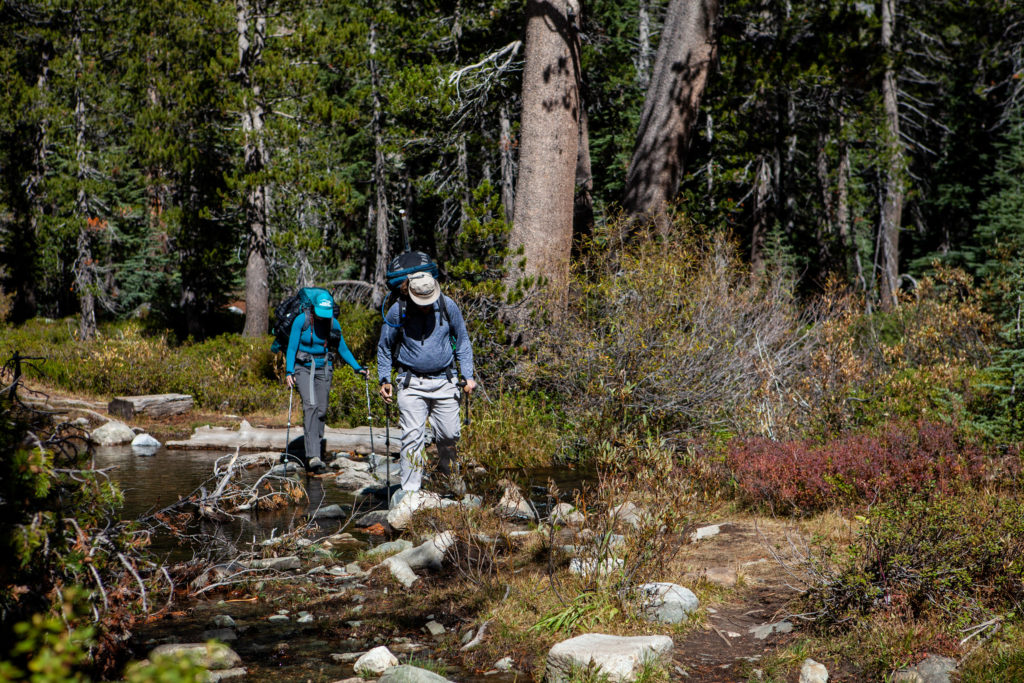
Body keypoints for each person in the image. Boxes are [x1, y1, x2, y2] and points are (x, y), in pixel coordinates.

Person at [378, 272, 476, 495]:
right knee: (412, 437)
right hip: (411, 382)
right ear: (409, 293)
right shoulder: (397, 310)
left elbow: (462, 341)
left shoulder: (447, 305)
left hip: (445, 380)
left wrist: (468, 375)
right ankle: (410, 494)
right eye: (421, 301)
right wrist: (384, 379)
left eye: (428, 301)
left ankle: (448, 479)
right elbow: (384, 346)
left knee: (450, 436)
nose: (425, 306)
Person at [285, 291, 367, 469]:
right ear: (313, 308)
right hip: (302, 367)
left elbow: (342, 349)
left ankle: (317, 449)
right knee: (311, 406)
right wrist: (289, 371)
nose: (323, 318)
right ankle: (312, 456)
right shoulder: (302, 321)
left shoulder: (332, 323)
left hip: (324, 367)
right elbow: (291, 348)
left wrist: (358, 367)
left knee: (321, 410)